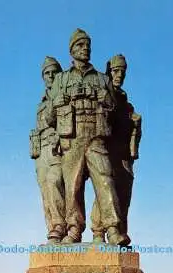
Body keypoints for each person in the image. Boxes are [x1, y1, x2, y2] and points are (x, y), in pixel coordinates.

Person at [46, 29, 129, 245]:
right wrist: (57, 103)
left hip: (96, 137)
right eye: (81, 46)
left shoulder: (103, 79)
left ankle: (112, 229)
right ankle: (74, 229)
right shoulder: (61, 79)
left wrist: (106, 99)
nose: (85, 49)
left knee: (105, 181)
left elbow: (117, 115)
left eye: (88, 46)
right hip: (71, 138)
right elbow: (48, 118)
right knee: (72, 186)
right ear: (72, 50)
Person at [91, 54, 142, 244]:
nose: (119, 75)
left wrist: (135, 122)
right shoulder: (103, 93)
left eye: (122, 71)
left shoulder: (125, 100)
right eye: (115, 71)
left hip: (123, 153)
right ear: (108, 71)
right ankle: (98, 231)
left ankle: (120, 231)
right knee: (105, 187)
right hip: (106, 148)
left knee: (123, 192)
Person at [29, 56, 66, 243]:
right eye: (46, 73)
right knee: (45, 190)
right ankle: (53, 230)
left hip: (58, 147)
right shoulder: (42, 101)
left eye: (54, 72)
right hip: (41, 148)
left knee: (55, 181)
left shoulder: (63, 96)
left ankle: (61, 225)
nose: (50, 76)